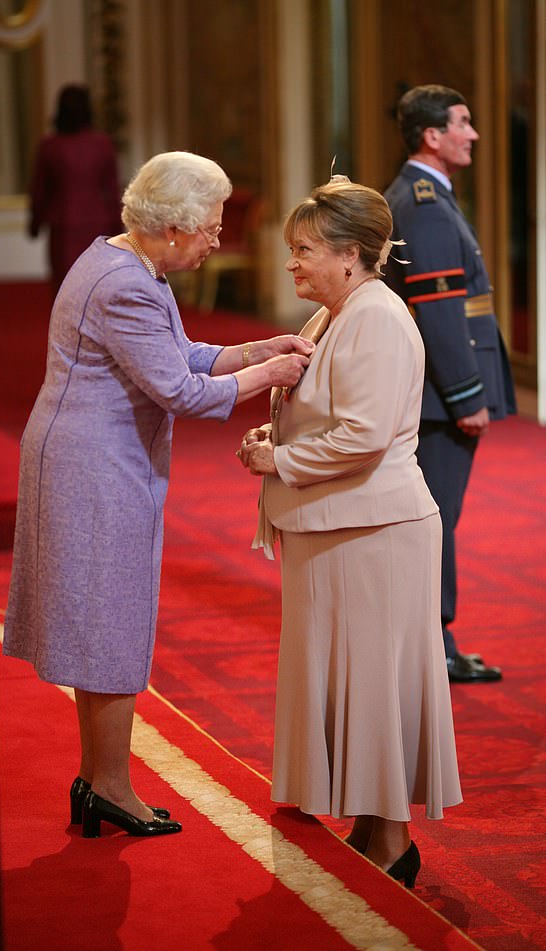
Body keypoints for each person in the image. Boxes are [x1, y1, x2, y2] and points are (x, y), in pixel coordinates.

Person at [3, 151, 313, 839]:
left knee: (98, 625)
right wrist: (275, 375)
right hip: (95, 468)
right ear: (171, 227)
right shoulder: (129, 285)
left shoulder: (122, 261)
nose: (216, 238)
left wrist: (258, 349)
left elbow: (181, 354)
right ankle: (110, 784)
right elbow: (180, 390)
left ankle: (97, 782)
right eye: (210, 225)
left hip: (87, 457)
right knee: (110, 625)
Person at [238, 176, 462, 885]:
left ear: (350, 254)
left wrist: (280, 459)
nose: (293, 263)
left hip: (377, 531)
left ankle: (393, 842)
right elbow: (325, 415)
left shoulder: (377, 316)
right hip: (342, 527)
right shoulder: (333, 313)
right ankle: (371, 827)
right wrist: (270, 441)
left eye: (303, 249)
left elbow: (364, 436)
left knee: (376, 683)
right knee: (354, 682)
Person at [384, 84, 516, 683]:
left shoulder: (425, 197)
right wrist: (467, 396)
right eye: (464, 123)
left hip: (438, 393)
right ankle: (431, 645)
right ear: (432, 136)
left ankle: (433, 641)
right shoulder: (426, 204)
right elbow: (439, 311)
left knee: (433, 517)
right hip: (443, 399)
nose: (474, 134)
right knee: (434, 519)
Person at [28, 84, 122, 292]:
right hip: (98, 223)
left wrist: (34, 222)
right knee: (99, 283)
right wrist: (118, 225)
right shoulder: (102, 144)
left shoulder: (50, 146)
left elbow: (40, 189)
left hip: (64, 225)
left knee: (66, 287)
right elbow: (113, 188)